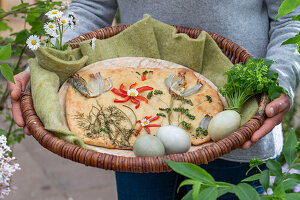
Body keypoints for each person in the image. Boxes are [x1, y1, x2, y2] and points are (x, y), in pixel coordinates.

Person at [7, 0, 300, 199]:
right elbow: (92, 5)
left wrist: (280, 83)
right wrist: (47, 65)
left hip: (241, 129)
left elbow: (291, 16)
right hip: (133, 135)